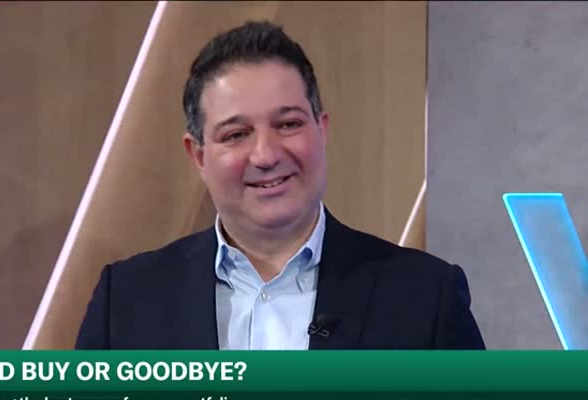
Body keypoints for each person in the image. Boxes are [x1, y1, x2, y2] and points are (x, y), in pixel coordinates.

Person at [75, 21, 485, 350]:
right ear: (198, 155)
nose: (266, 154)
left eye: (288, 124)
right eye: (236, 134)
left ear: (321, 130)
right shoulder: (126, 301)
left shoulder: (426, 296)